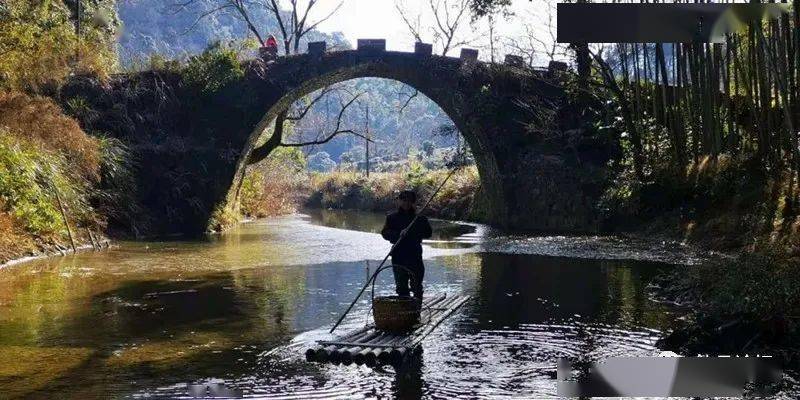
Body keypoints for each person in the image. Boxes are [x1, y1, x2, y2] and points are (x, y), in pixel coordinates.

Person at [381, 190, 432, 300]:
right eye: (403, 200)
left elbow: (428, 233)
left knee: (417, 287)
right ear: (399, 201)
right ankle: (405, 311)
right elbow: (385, 233)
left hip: (415, 255)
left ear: (413, 202)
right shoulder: (391, 217)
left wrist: (413, 232)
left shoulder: (420, 218)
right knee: (401, 287)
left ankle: (417, 311)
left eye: (409, 201)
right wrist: (398, 234)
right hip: (398, 256)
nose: (406, 203)